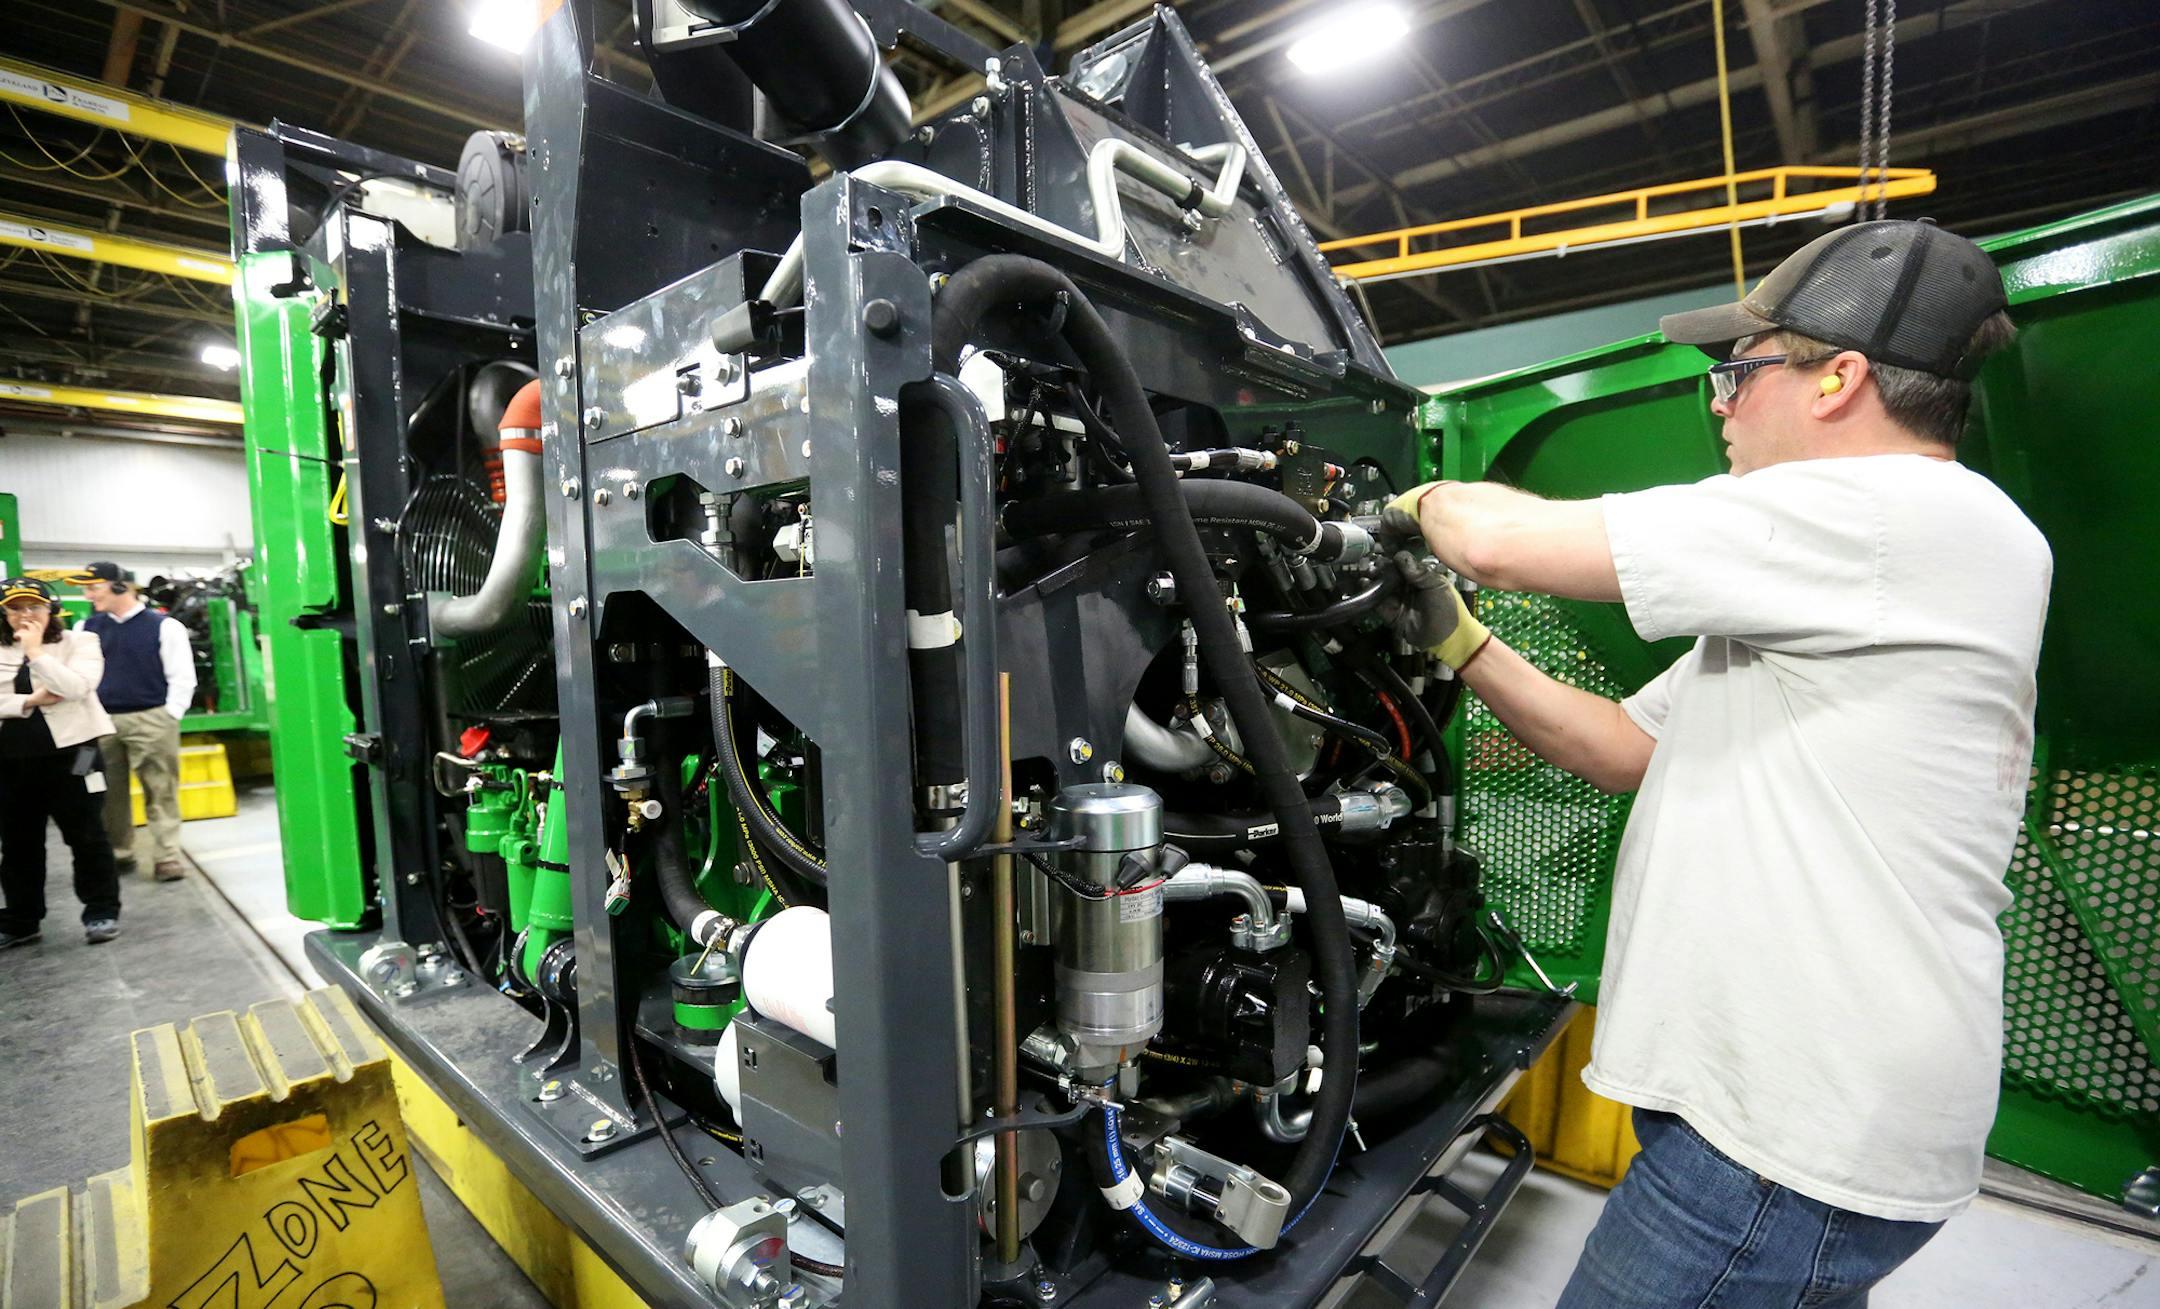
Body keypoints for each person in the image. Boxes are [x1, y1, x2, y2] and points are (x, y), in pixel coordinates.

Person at [1382, 220, 2050, 1308]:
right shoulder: (1830, 582)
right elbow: (1621, 748)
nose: (1718, 401)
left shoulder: (1897, 516)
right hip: (1780, 1122)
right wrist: (1461, 642)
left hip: (1785, 1142)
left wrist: (1413, 507)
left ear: (1840, 379)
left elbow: (1503, 543)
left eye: (1738, 369)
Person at [0, 577, 122, 947]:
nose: (25, 615)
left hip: (77, 755)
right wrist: (29, 701)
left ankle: (101, 912)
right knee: (19, 844)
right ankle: (22, 920)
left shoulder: (80, 641)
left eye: (33, 606)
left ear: (50, 609)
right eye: (15, 608)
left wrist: (36, 652)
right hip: (10, 762)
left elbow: (76, 688)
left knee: (87, 835)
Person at [75, 561, 195, 882]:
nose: (88, 595)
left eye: (93, 587)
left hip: (151, 719)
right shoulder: (85, 629)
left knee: (160, 788)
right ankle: (120, 851)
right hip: (101, 722)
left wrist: (170, 714)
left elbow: (182, 677)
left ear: (119, 586)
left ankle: (167, 855)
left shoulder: (164, 627)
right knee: (106, 791)